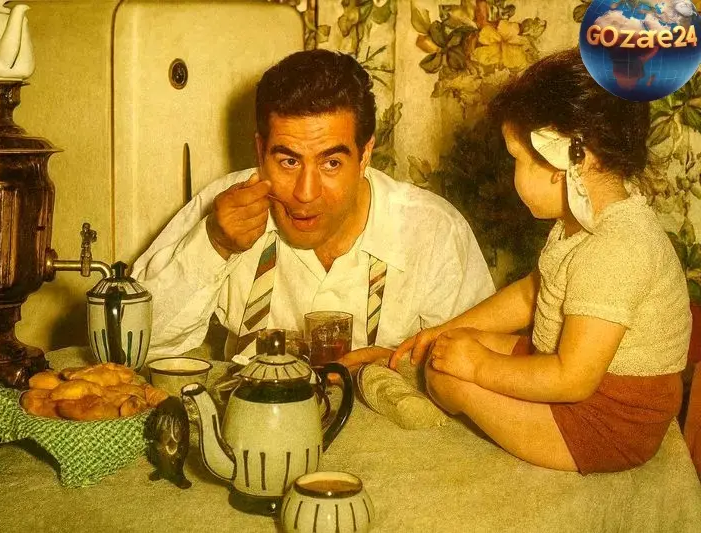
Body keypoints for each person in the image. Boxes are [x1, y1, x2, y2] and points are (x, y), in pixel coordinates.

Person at [386, 48, 690, 473]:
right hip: (573, 376)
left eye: (517, 159)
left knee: (451, 378)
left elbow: (572, 378)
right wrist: (448, 329)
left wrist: (480, 367)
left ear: (571, 160)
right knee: (447, 349)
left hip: (609, 421)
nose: (513, 175)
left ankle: (458, 395)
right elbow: (533, 294)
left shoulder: (617, 249)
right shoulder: (578, 221)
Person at [131, 49, 494, 362]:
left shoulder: (434, 233)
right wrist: (214, 245)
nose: (305, 193)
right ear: (260, 151)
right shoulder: (226, 207)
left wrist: (392, 367)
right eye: (289, 161)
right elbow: (134, 348)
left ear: (365, 155)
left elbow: (481, 369)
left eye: (331, 163)